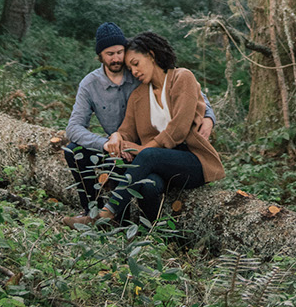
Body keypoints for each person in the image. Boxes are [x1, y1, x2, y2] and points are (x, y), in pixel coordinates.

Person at [63, 22, 215, 221]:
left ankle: (107, 213)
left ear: (150, 56)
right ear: (100, 56)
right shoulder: (136, 91)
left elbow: (189, 109)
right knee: (149, 184)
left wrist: (209, 116)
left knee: (149, 157)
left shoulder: (176, 77)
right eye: (111, 54)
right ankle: (147, 234)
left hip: (185, 157)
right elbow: (121, 129)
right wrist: (115, 138)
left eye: (124, 56)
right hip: (136, 156)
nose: (131, 69)